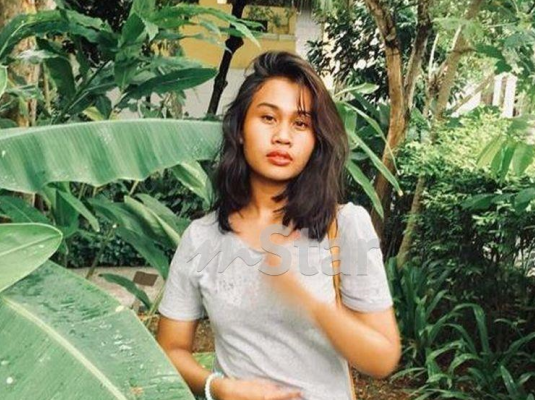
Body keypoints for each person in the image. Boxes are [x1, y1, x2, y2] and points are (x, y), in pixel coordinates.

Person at [156, 50, 401, 400]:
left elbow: (382, 359)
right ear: (240, 129)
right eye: (268, 118)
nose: (283, 136)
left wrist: (308, 300)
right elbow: (171, 348)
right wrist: (221, 388)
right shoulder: (202, 238)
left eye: (300, 123)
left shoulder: (346, 227)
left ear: (315, 140)